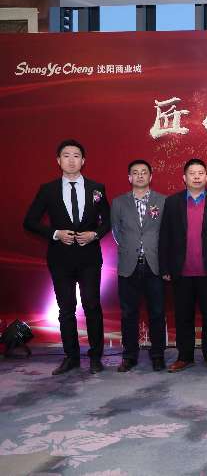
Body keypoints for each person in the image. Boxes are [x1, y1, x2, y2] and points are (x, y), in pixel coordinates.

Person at [23, 139, 110, 375]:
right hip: (60, 258)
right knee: (66, 309)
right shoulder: (48, 189)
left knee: (92, 305)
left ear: (83, 161)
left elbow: (108, 220)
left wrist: (94, 234)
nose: (71, 160)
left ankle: (95, 357)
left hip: (89, 258)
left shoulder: (97, 188)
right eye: (66, 155)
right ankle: (71, 357)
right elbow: (29, 221)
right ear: (58, 161)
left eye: (76, 156)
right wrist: (55, 233)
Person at [159, 158, 207, 373]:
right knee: (183, 316)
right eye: (192, 173)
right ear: (184, 178)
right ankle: (184, 356)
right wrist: (165, 267)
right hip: (181, 271)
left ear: (206, 176)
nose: (196, 177)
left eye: (200, 173)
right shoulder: (172, 202)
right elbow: (165, 236)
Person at [110, 159, 167, 372]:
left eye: (144, 172)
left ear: (151, 176)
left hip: (154, 264)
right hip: (128, 265)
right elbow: (116, 231)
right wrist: (131, 247)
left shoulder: (163, 201)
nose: (140, 176)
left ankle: (158, 355)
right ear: (129, 177)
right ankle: (129, 356)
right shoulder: (118, 203)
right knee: (128, 313)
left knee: (157, 313)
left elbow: (166, 232)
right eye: (135, 172)